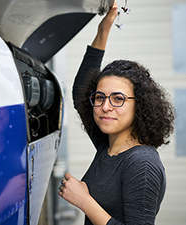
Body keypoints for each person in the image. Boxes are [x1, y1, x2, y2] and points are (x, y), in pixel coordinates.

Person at [58, 2, 175, 225]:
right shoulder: (108, 146)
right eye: (100, 97)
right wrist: (104, 29)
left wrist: (85, 201)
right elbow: (80, 91)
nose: (105, 106)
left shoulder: (142, 163)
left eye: (118, 98)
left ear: (139, 105)